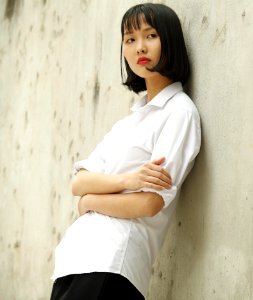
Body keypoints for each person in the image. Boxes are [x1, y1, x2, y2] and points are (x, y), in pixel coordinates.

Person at [50, 3, 201, 299]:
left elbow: (149, 204)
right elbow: (79, 182)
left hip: (112, 264)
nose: (139, 47)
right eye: (130, 39)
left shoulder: (179, 112)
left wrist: (91, 201)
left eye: (150, 36)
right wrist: (127, 181)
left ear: (169, 40)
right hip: (73, 260)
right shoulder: (129, 121)